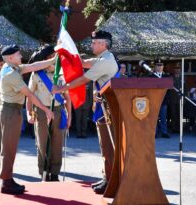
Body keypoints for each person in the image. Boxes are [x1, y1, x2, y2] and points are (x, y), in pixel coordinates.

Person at [52, 30, 118, 194]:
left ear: (103, 44)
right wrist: (65, 50)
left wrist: (62, 88)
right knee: (105, 145)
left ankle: (112, 180)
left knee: (109, 145)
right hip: (104, 106)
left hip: (109, 108)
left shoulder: (105, 61)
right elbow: (82, 63)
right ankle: (108, 177)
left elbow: (83, 79)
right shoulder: (103, 58)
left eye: (94, 42)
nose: (91, 45)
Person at [0, 44, 55, 195]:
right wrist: (46, 109)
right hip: (10, 111)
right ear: (10, 58)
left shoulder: (12, 67)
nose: (20, 56)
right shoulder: (11, 73)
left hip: (12, 110)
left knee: (10, 147)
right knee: (9, 148)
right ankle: (6, 182)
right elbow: (29, 94)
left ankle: (8, 179)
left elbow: (33, 66)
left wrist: (53, 60)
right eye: (18, 55)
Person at [26, 45, 72, 182]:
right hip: (41, 112)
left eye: (55, 57)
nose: (54, 59)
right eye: (51, 57)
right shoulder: (36, 75)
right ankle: (44, 172)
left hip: (58, 111)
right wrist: (29, 113)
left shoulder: (62, 75)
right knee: (42, 143)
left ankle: (55, 172)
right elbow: (29, 95)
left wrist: (69, 116)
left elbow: (67, 98)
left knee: (57, 144)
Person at [150, 60, 170, 138]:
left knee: (163, 117)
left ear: (163, 67)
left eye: (160, 65)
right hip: (154, 100)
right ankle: (154, 132)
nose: (159, 67)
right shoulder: (151, 76)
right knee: (154, 118)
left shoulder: (167, 76)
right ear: (155, 67)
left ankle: (164, 132)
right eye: (157, 65)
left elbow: (168, 88)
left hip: (163, 100)